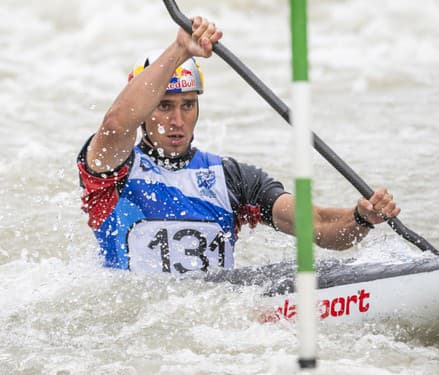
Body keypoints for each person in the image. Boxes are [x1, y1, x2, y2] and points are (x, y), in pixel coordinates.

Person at [77, 16, 400, 272]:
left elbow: (317, 226)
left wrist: (360, 219)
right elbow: (117, 123)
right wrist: (180, 50)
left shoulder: (232, 178)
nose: (177, 120)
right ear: (146, 111)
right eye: (164, 106)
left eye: (187, 105)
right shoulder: (113, 170)